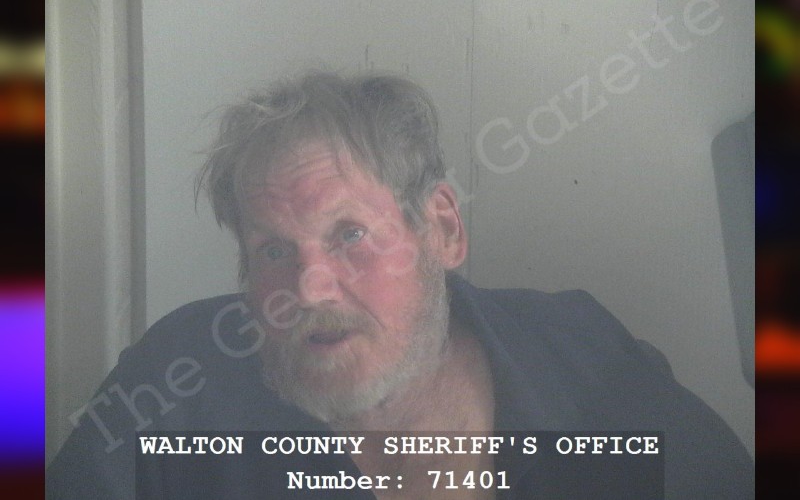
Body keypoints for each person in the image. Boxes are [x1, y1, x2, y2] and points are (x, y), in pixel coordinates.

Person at [46, 70, 753, 499]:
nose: (310, 288)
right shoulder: (175, 387)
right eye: (273, 250)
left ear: (441, 228)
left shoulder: (580, 357)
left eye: (350, 233)